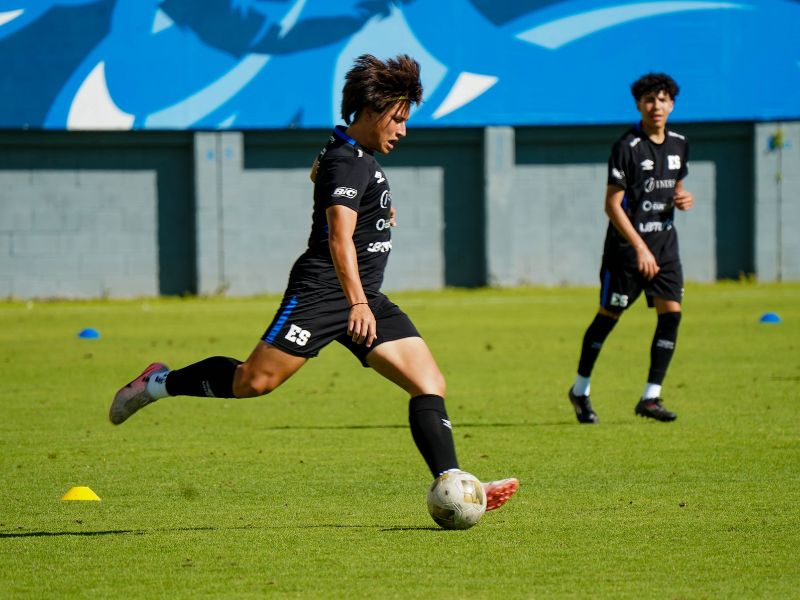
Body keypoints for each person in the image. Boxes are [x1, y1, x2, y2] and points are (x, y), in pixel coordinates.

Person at [110, 54, 518, 512]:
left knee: (428, 382)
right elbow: (338, 237)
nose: (403, 130)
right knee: (253, 381)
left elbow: (342, 197)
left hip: (363, 297)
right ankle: (157, 383)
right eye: (398, 119)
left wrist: (379, 220)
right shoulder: (347, 161)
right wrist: (357, 303)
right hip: (326, 292)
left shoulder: (351, 154)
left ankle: (453, 481)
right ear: (370, 110)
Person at [568, 72, 693, 424]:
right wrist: (639, 248)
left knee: (671, 315)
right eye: (649, 100)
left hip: (665, 248)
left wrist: (682, 198)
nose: (657, 106)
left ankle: (651, 397)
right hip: (626, 253)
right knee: (609, 317)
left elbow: (673, 190)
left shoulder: (680, 143)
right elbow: (612, 205)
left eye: (663, 99)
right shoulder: (627, 147)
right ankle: (580, 389)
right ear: (639, 104)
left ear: (672, 104)